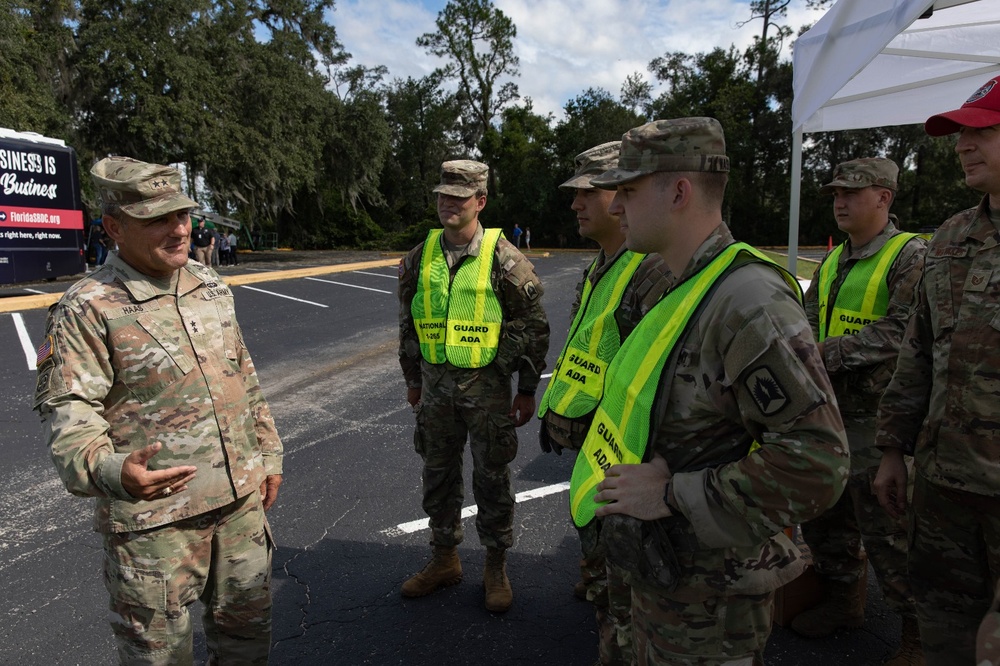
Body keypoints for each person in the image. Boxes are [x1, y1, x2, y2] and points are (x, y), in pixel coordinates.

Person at [571, 117, 848, 664]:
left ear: (679, 191)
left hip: (708, 606)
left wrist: (672, 494)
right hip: (662, 577)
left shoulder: (747, 301)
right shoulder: (684, 284)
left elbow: (819, 462)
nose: (616, 205)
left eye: (627, 190)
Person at [34, 156, 283, 665]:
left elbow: (244, 376)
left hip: (239, 506)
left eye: (183, 216)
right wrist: (109, 470)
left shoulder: (208, 284)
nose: (178, 230)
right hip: (155, 525)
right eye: (157, 220)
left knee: (247, 647)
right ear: (114, 227)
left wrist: (268, 454)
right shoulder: (88, 306)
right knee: (160, 659)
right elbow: (70, 411)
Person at [875, 76, 1000, 665]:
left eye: (985, 130)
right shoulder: (950, 237)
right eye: (960, 133)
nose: (963, 145)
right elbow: (918, 352)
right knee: (946, 632)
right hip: (943, 487)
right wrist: (893, 449)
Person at [537, 140, 671, 665]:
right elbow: (583, 347)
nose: (576, 204)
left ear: (621, 196)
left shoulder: (650, 271)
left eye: (587, 193)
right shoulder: (604, 264)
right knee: (597, 542)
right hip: (595, 438)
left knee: (625, 594)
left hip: (626, 454)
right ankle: (597, 578)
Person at [397, 159, 549, 613]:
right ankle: (444, 558)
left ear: (480, 202)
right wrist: (412, 379)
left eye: (458, 198)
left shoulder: (504, 258)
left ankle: (495, 565)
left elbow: (533, 327)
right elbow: (408, 322)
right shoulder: (419, 256)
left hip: (487, 391)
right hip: (436, 388)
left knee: (491, 478)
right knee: (438, 474)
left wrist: (524, 388)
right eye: (443, 195)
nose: (448, 204)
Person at [795, 158, 926, 664]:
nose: (840, 201)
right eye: (835, 193)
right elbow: (806, 319)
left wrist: (823, 353)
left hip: (880, 419)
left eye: (852, 192)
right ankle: (843, 600)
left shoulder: (909, 255)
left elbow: (902, 332)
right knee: (826, 518)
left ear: (885, 197)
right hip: (828, 413)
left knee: (889, 529)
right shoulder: (832, 261)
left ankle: (916, 634)